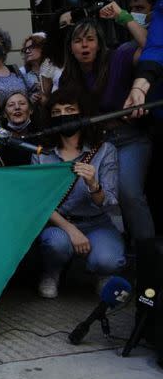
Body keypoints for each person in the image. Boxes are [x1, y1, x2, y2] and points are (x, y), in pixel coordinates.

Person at [59, 18, 154, 246]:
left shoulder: (118, 57)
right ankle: (111, 247)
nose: (85, 46)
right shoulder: (68, 77)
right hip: (94, 143)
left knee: (129, 192)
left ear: (99, 43)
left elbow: (150, 46)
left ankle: (146, 251)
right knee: (93, 192)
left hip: (129, 138)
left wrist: (123, 17)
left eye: (90, 40)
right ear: (70, 47)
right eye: (78, 41)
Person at [33, 89, 124, 299]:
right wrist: (71, 230)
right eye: (56, 112)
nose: (63, 115)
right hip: (59, 223)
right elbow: (40, 203)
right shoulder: (42, 154)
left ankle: (102, 274)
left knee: (108, 260)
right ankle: (52, 272)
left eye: (70, 109)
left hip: (97, 222)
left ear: (82, 114)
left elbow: (109, 201)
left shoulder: (104, 150)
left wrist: (94, 184)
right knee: (55, 244)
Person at [20, 32, 47, 103]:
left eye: (31, 47)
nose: (27, 51)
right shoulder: (21, 72)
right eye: (25, 49)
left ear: (42, 48)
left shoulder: (53, 68)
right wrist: (29, 98)